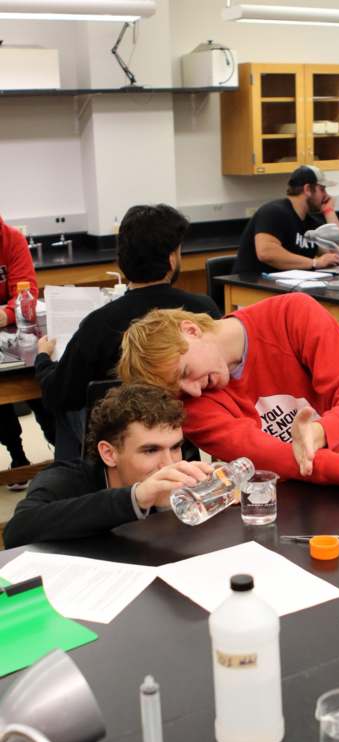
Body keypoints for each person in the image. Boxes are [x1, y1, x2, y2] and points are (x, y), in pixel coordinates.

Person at [117, 293, 339, 486]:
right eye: (180, 390)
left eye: (185, 372)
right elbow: (270, 456)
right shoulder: (193, 406)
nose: (193, 392)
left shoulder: (291, 315)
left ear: (191, 330)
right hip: (275, 503)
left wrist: (321, 433)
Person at [35, 204, 221, 459]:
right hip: (187, 432)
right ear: (171, 259)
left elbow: (59, 393)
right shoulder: (203, 311)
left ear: (121, 262)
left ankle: (76, 480)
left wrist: (43, 360)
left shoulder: (99, 324)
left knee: (66, 405)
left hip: (124, 446)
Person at [3, 383, 212, 549]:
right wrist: (135, 498)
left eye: (175, 447)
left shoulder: (184, 473)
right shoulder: (66, 480)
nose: (169, 463)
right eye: (150, 450)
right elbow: (16, 532)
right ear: (109, 454)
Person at [0, 215, 55, 487]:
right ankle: (17, 457)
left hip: (17, 331)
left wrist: (6, 313)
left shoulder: (11, 239)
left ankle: (60, 453)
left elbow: (25, 289)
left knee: (38, 390)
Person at [233, 165, 339, 274]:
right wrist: (314, 263)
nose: (327, 195)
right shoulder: (273, 212)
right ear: (308, 189)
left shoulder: (311, 223)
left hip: (288, 288)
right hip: (252, 288)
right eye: (322, 189)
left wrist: (329, 211)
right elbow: (266, 253)